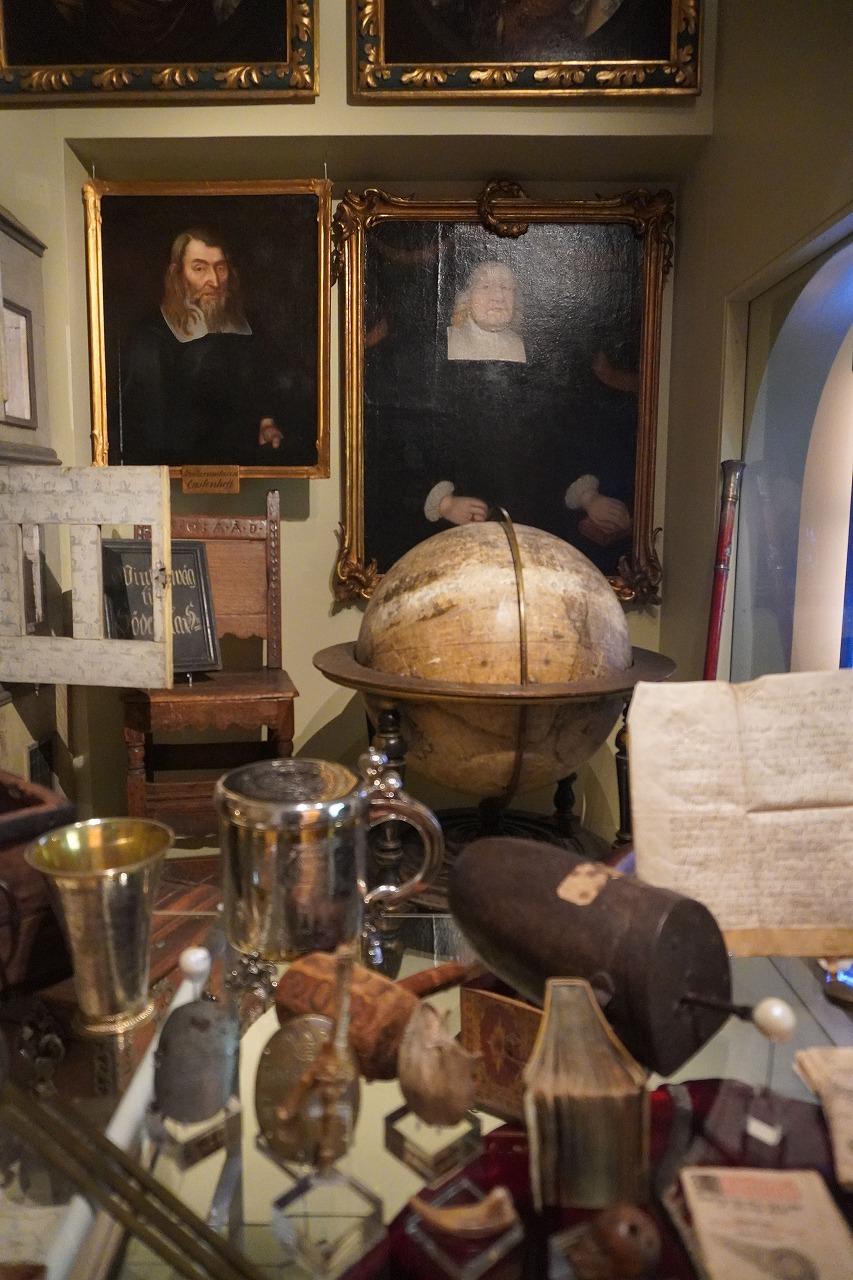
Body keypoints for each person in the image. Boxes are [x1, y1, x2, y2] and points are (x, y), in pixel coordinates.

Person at [423, 261, 633, 549]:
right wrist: (444, 502)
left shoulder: (538, 358)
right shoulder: (437, 352)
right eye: (486, 286)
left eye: (506, 287)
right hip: (460, 520)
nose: (498, 296)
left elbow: (561, 436)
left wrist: (588, 497)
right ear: (466, 296)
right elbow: (417, 436)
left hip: (531, 513)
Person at [117, 227, 286, 466]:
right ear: (177, 274)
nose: (214, 281)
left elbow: (261, 385)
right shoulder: (151, 337)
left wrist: (266, 423)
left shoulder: (247, 326)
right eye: (199, 269)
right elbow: (150, 428)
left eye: (220, 268)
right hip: (182, 469)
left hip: (245, 466)